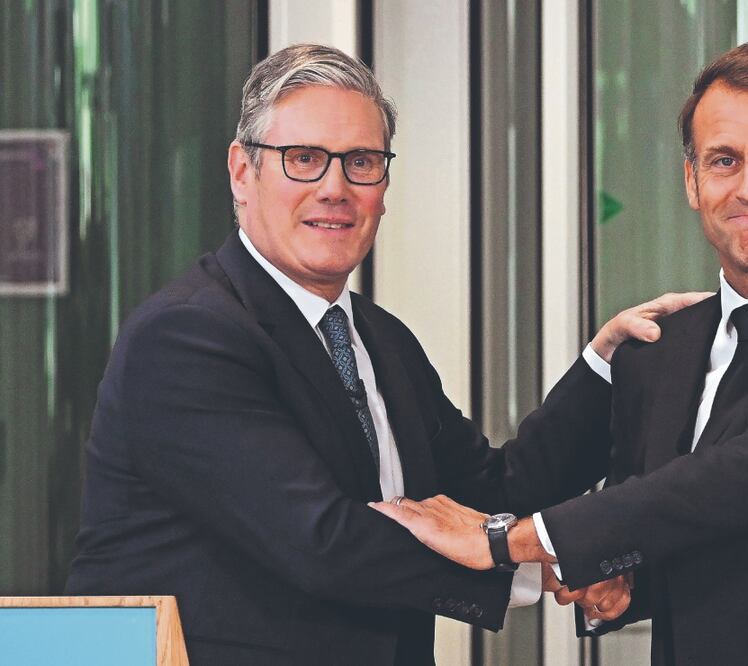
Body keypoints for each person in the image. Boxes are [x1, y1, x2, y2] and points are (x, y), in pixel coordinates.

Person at [64, 44, 704, 665]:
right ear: (242, 171)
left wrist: (607, 367)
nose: (335, 187)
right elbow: (322, 543)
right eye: (303, 158)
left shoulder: (377, 338)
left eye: (362, 161)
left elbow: (495, 491)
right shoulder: (186, 337)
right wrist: (540, 561)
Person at [372, 40, 748, 665]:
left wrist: (509, 541)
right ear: (692, 181)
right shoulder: (661, 349)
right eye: (724, 160)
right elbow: (677, 528)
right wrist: (627, 584)